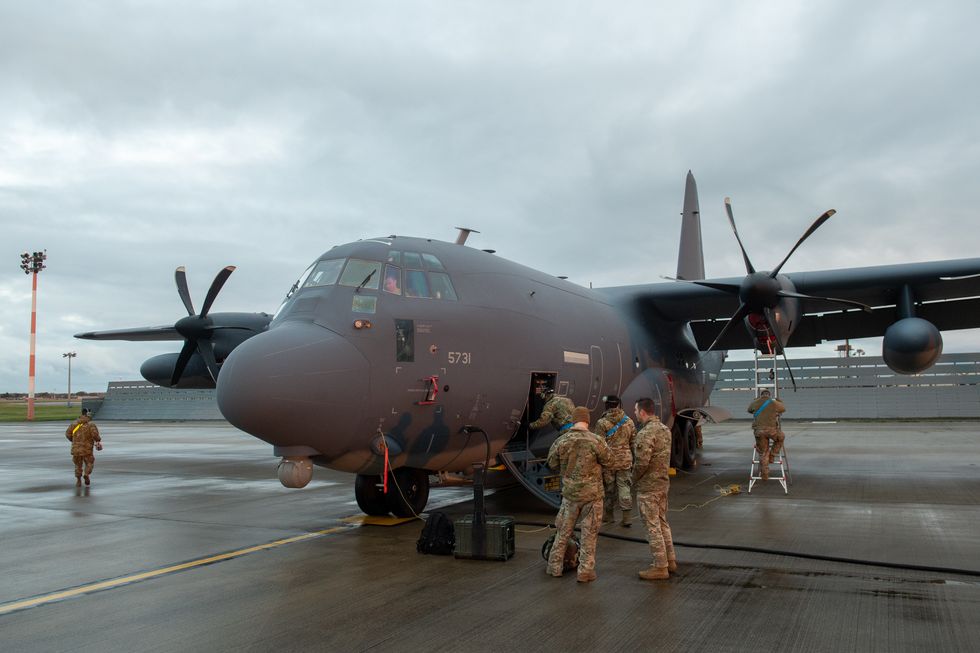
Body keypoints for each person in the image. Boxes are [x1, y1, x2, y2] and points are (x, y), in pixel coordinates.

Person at [545, 405, 610, 583]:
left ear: (573, 420)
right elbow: (609, 460)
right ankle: (585, 572)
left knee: (563, 532)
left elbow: (551, 463)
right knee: (589, 535)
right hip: (592, 496)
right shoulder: (597, 440)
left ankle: (554, 567)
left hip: (570, 496)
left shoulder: (561, 441)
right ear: (587, 421)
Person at [633, 397, 675, 580]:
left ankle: (660, 566)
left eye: (635, 411)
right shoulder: (665, 429)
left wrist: (632, 479)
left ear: (642, 412)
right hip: (662, 484)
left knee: (652, 526)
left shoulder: (645, 433)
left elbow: (642, 463)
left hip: (649, 487)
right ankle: (670, 560)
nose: (634, 414)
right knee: (662, 522)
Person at [594, 394, 637, 527]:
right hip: (625, 461)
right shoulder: (628, 421)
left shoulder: (601, 423)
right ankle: (627, 517)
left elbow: (598, 444)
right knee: (624, 487)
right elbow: (634, 442)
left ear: (606, 406)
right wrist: (634, 458)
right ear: (619, 405)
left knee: (609, 489)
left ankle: (609, 516)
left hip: (609, 461)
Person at [747, 389, 786, 480]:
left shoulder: (756, 402)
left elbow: (749, 410)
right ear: (769, 395)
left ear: (761, 395)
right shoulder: (773, 402)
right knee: (781, 437)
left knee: (763, 453)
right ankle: (772, 455)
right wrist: (779, 401)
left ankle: (765, 474)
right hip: (771, 430)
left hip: (759, 431)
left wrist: (755, 401)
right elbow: (783, 409)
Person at [65, 408, 102, 486]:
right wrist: (98, 440)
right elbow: (95, 435)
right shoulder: (91, 424)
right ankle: (86, 474)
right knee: (89, 462)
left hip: (76, 449)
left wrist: (74, 441)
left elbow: (68, 434)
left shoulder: (74, 423)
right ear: (87, 414)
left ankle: (78, 480)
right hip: (87, 449)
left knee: (78, 465)